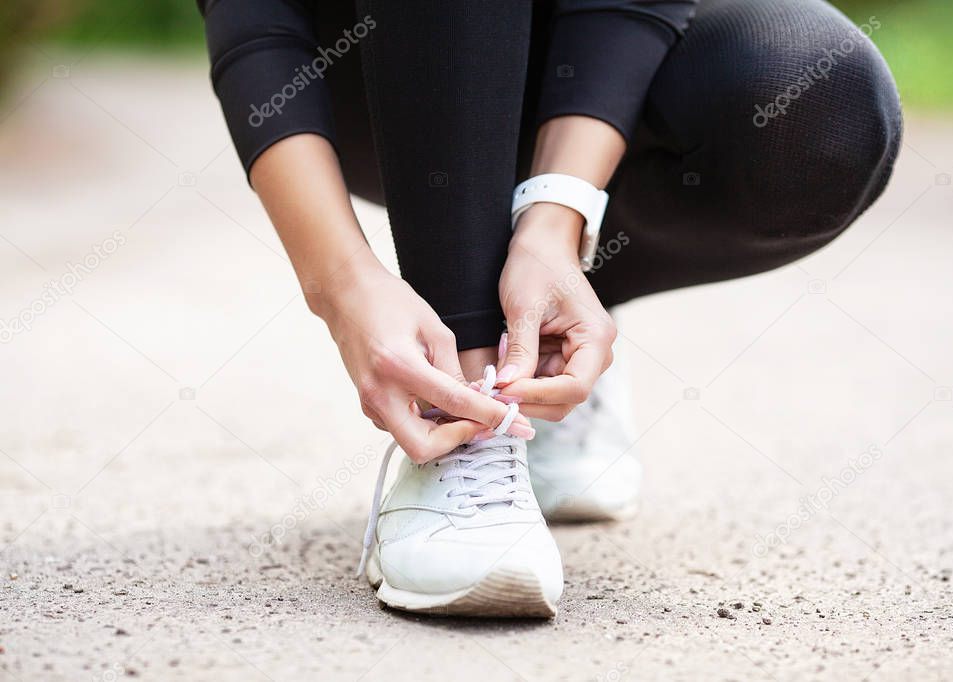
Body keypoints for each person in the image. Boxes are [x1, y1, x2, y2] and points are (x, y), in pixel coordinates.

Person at [197, 0, 901, 617]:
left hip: (603, 73)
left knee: (821, 103)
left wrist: (555, 219)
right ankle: (467, 403)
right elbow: (255, 14)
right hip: (376, 57)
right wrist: (340, 283)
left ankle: (537, 343)